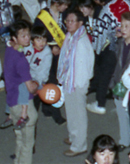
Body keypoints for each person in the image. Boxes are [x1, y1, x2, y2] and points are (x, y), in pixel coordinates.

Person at [58, 9, 95, 157]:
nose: (68, 23)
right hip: (69, 81)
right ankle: (74, 137)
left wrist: (80, 86)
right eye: (67, 20)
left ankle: (79, 145)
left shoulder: (81, 42)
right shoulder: (70, 36)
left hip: (77, 84)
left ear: (80, 23)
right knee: (71, 112)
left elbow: (86, 67)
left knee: (78, 114)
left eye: (72, 21)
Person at [4, 20, 39, 164]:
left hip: (12, 101)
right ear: (14, 38)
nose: (28, 38)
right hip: (23, 103)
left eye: (28, 35)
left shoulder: (9, 50)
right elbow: (30, 87)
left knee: (19, 137)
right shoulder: (21, 61)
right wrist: (38, 85)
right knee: (27, 143)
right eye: (23, 36)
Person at [112, 12, 130, 147]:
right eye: (122, 26)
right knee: (121, 113)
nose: (123, 29)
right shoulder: (121, 43)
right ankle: (124, 140)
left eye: (126, 26)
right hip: (119, 84)